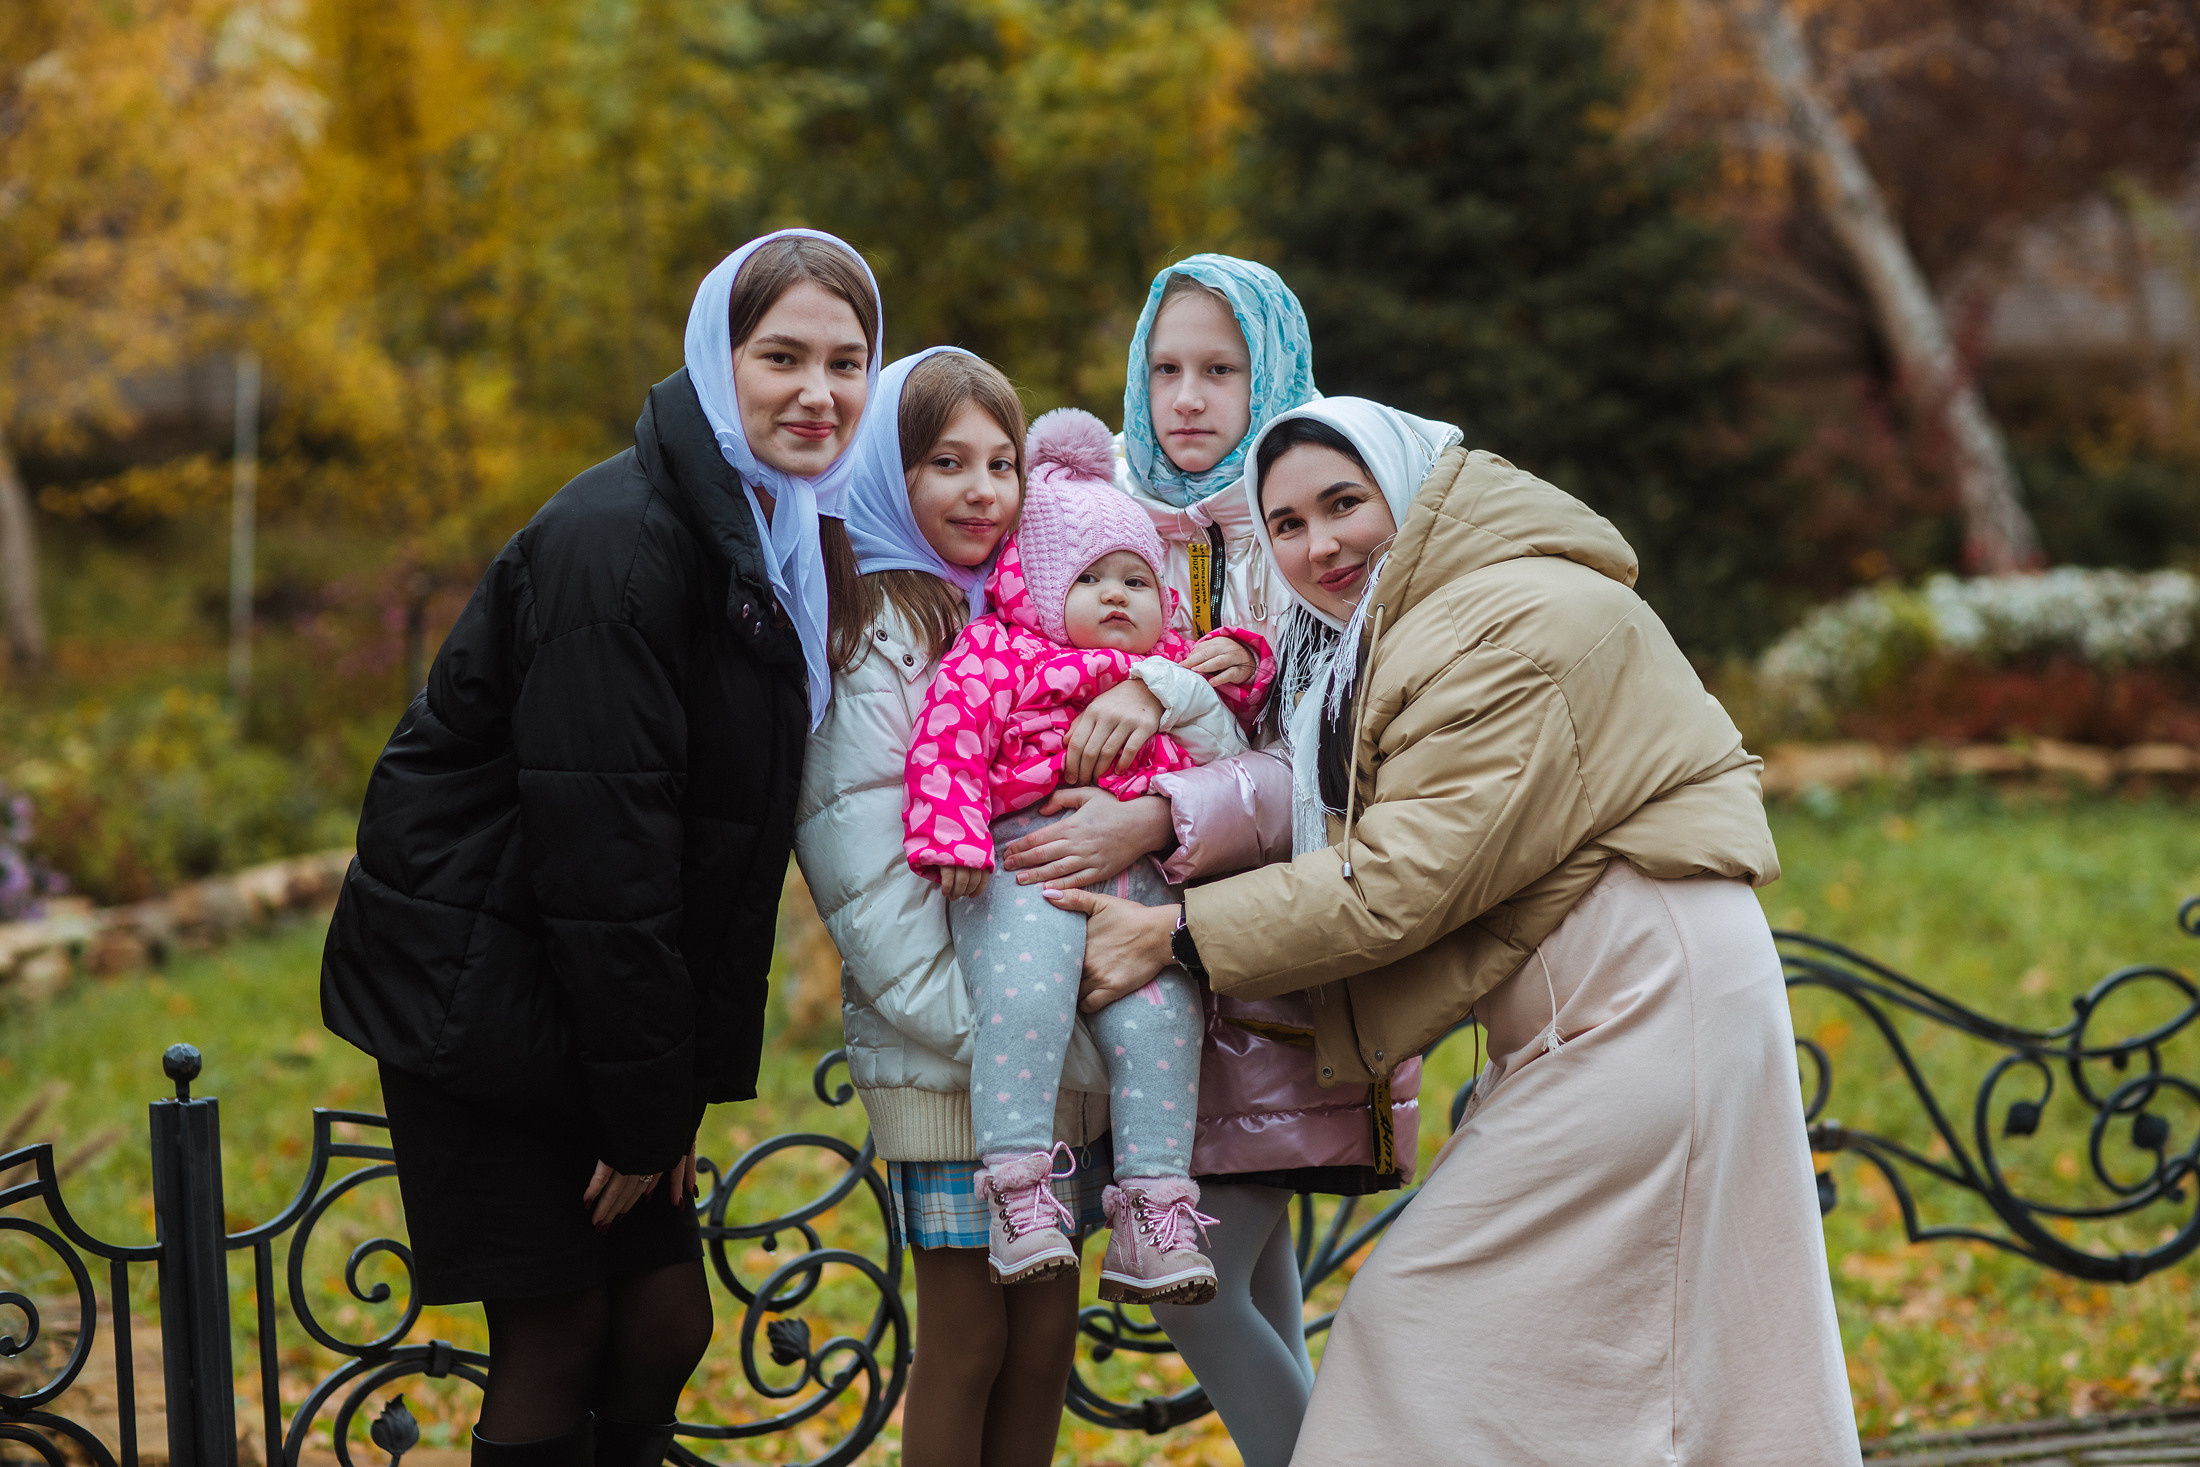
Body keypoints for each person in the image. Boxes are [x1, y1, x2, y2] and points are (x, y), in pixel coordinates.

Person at [1052, 396, 1864, 1467]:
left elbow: (1403, 877)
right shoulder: (1422, 622)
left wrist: (1176, 935)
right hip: (1618, 1005)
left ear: (1417, 490)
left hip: (1642, 1003)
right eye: (1285, 523)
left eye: (1345, 504)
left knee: (1418, 1324)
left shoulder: (1502, 622)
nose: (1318, 544)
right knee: (1690, 1354)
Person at [320, 228, 881, 1467]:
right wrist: (646, 1111)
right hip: (484, 989)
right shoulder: (622, 541)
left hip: (583, 990)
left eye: (846, 362)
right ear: (714, 358)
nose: (819, 391)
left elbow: (703, 844)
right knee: (561, 1333)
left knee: (664, 1319)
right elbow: (605, 840)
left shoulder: (767, 529)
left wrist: (656, 1086)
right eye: (780, 355)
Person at [995, 257, 1418, 1467]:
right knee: (1257, 1265)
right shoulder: (1109, 527)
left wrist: (1150, 814)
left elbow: (1328, 772)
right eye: (1165, 369)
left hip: (1272, 956)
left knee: (1202, 1277)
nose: (1188, 399)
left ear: (1269, 375)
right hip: (1173, 972)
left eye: (1221, 371)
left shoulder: (1310, 534)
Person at [795, 348, 1103, 1467]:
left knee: (1045, 1335)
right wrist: (1018, 1043)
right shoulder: (876, 640)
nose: (984, 491)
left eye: (1004, 463)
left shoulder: (1016, 630)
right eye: (946, 462)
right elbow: (869, 889)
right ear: (887, 469)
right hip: (954, 1057)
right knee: (970, 1334)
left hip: (1043, 1046)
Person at [904, 406, 1273, 1302]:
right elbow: (947, 740)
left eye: (1135, 580)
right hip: (1022, 857)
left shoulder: (1170, 664)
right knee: (1022, 996)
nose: (1117, 596)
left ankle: (1153, 1207)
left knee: (1161, 1021)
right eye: (1091, 578)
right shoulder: (1000, 651)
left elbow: (1246, 697)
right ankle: (1022, 1189)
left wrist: (1235, 653)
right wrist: (950, 837)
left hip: (1144, 876)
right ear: (1036, 587)